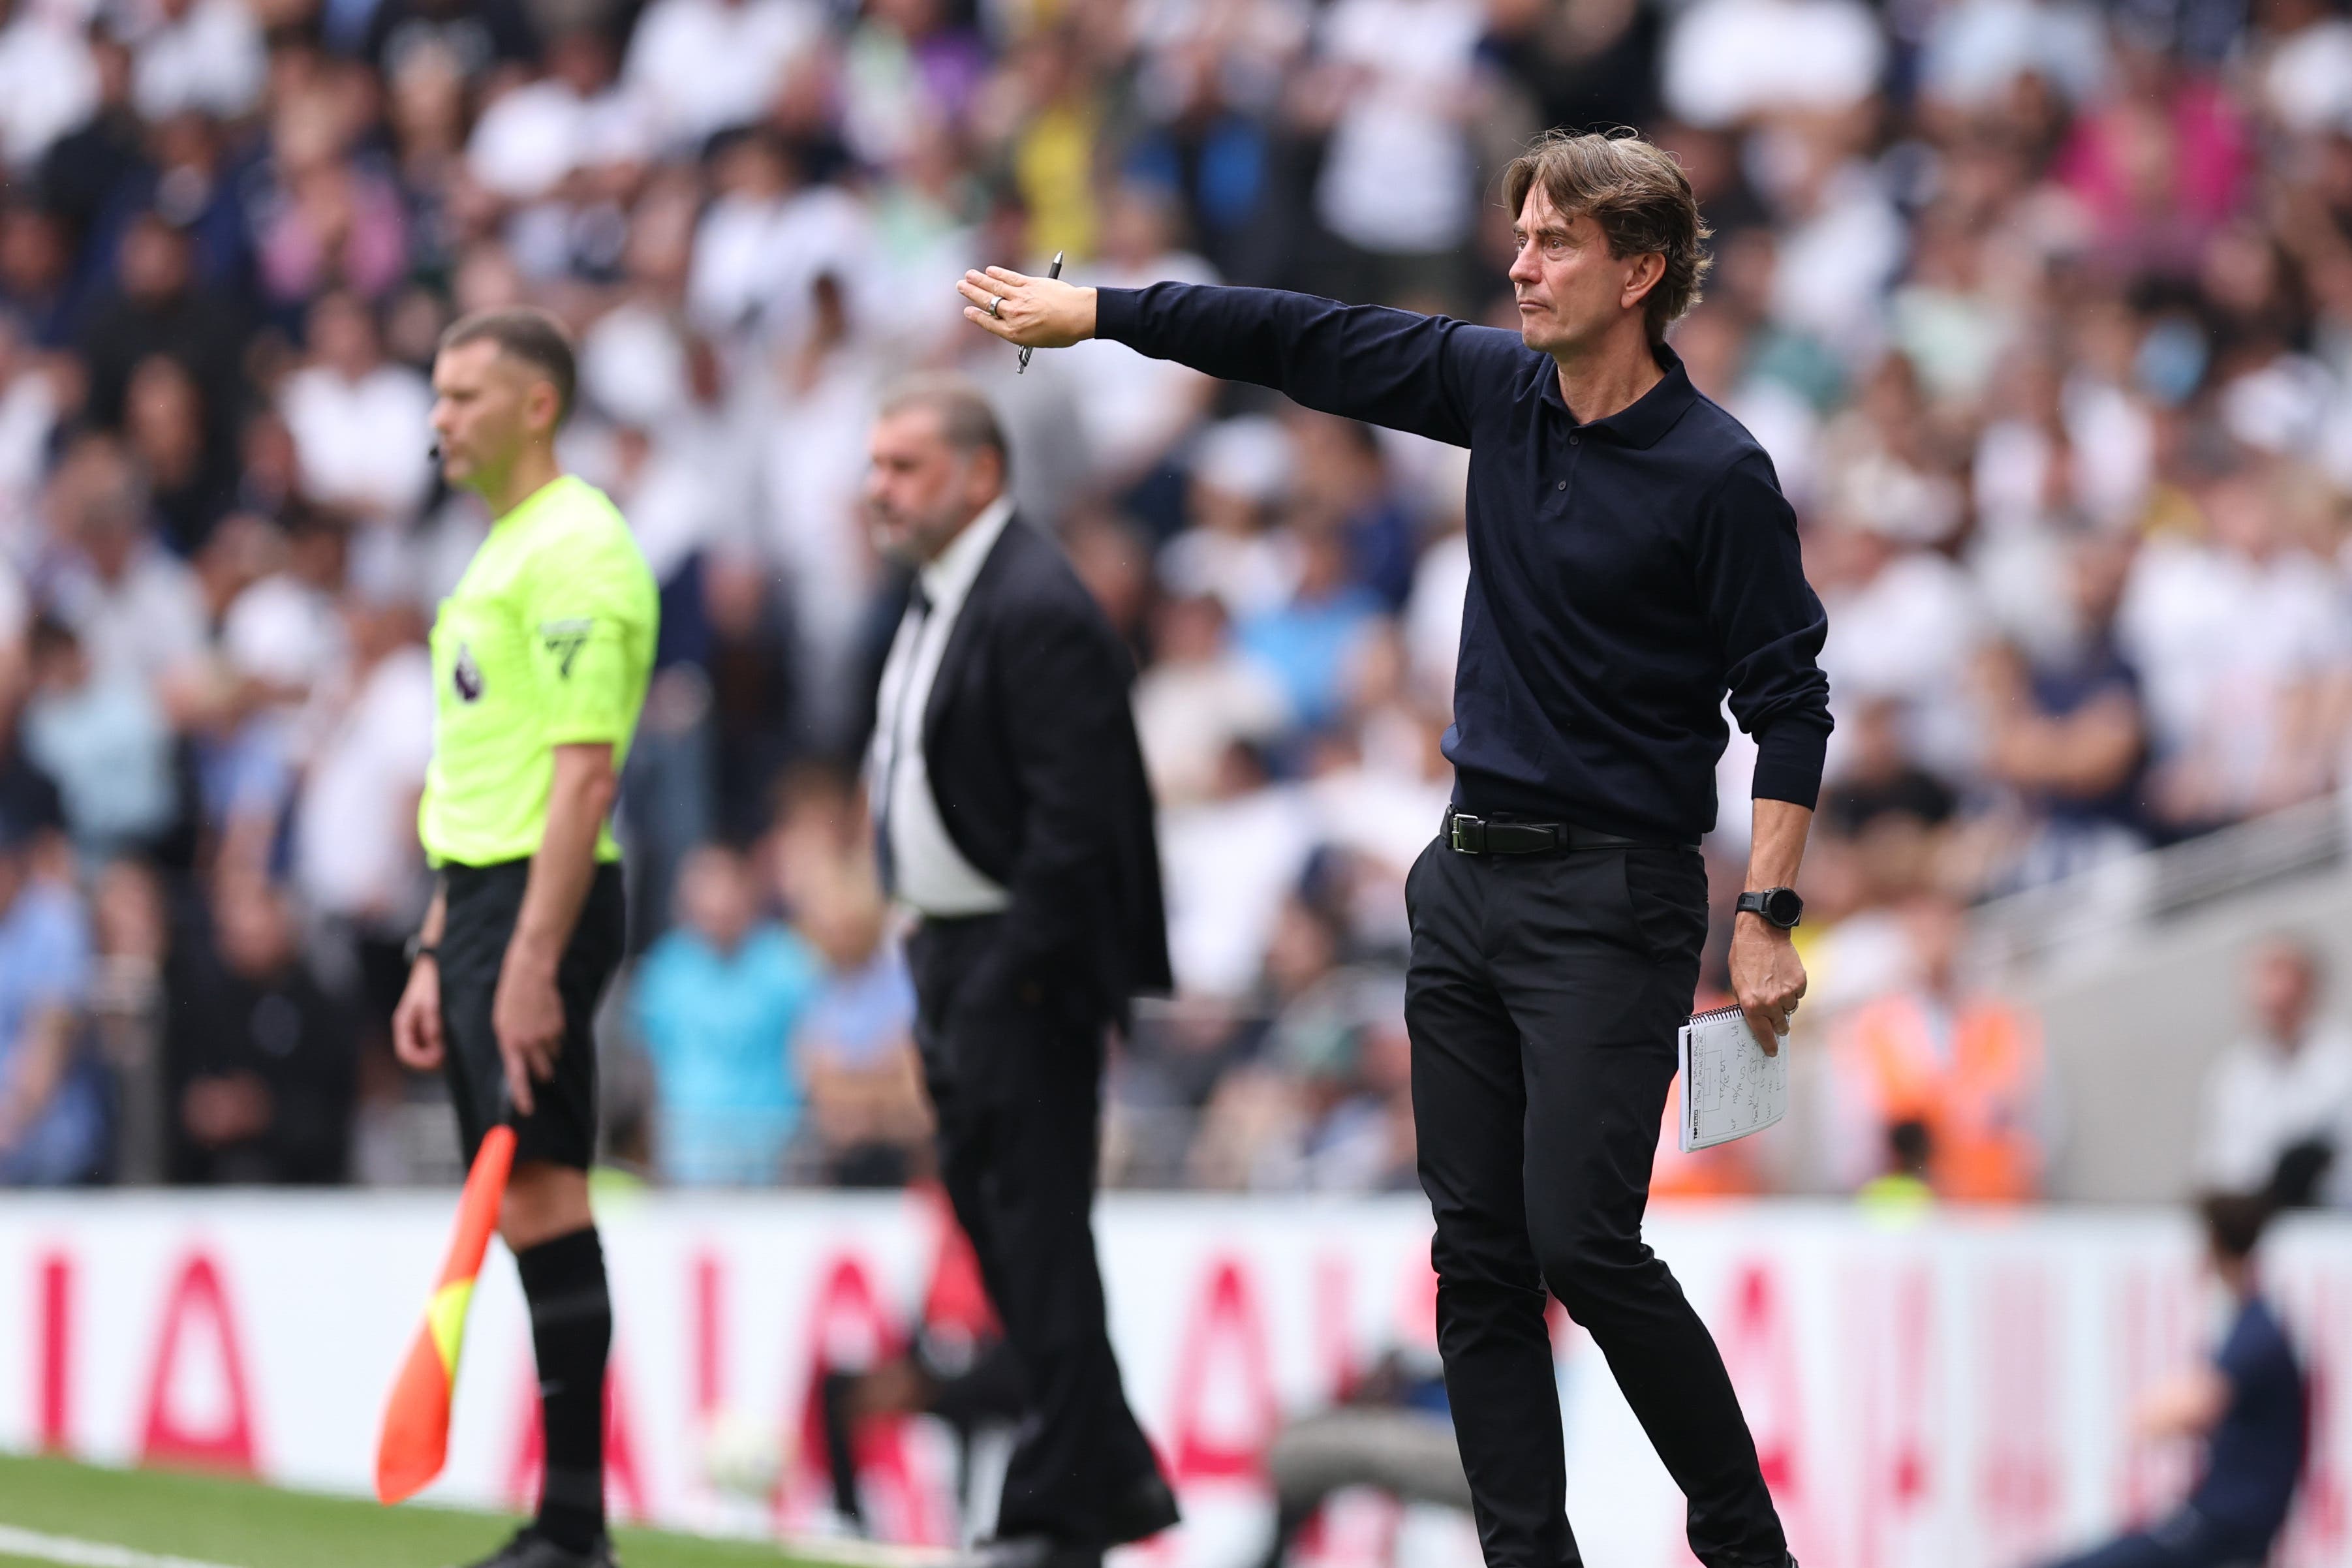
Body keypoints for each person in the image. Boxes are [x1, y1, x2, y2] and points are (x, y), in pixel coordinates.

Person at [959, 128, 1823, 1568]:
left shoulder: (1715, 472)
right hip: (1465, 876)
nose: (1519, 263)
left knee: (1578, 1241)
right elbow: (1300, 339)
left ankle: (1741, 1541)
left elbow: (1786, 702)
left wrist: (1767, 911)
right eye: (1521, 233)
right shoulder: (1500, 390)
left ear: (1639, 271)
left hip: (1612, 896)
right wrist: (1104, 313)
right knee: (1475, 1260)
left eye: (1552, 241)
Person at [861, 377, 1178, 1568]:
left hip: (1017, 959)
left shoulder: (1034, 602)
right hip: (953, 946)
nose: (877, 489)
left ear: (979, 473)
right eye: (876, 464)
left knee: (1034, 1229)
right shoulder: (947, 596)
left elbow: (1074, 816)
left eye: (902, 466)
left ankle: (1064, 1505)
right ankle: (1111, 1476)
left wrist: (1009, 967)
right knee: (1004, 1230)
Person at [388, 307, 657, 1568]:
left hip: (538, 899)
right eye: (436, 396)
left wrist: (532, 958)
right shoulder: (506, 547)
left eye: (461, 395)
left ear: (534, 404)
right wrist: (442, 939)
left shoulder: (578, 551)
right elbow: (488, 769)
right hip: (487, 896)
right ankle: (566, 1519)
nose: (438, 417)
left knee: (541, 1187)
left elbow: (582, 778)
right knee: (523, 1198)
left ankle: (573, 1524)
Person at [2034, 1192, 2306, 1568]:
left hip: (2224, 1525)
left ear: (2212, 1247)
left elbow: (2179, 1410)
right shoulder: (2258, 1326)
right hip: (2226, 1521)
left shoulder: (2257, 1334)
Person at [1825, 893, 2050, 1202]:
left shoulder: (2001, 1020)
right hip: (1904, 1211)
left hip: (1993, 1207)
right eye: (1921, 930)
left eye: (1943, 927)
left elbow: (2038, 1126)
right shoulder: (1869, 1027)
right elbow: (1850, 1139)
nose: (1934, 941)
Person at [2197, 935, 2352, 1208]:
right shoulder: (2234, 1070)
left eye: (2284, 980)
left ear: (2309, 989)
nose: (2274, 995)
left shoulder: (2343, 1060)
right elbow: (2220, 1165)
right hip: (2255, 1224)